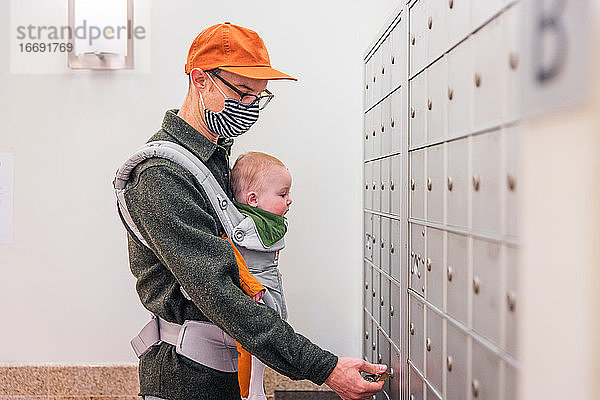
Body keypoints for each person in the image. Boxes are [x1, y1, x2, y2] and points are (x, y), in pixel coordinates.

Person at [116, 22, 386, 400]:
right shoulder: (162, 175)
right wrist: (323, 367)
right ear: (200, 80)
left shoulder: (214, 161)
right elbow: (219, 293)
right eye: (242, 92)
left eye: (259, 97)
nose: (249, 108)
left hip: (225, 365)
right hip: (186, 378)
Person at [230, 152, 292, 400]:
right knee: (251, 346)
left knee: (262, 347)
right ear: (253, 199)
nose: (290, 200)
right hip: (253, 294)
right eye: (282, 194)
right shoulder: (242, 226)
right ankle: (250, 394)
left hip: (267, 286)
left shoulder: (264, 222)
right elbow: (230, 254)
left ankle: (254, 390)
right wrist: (250, 285)